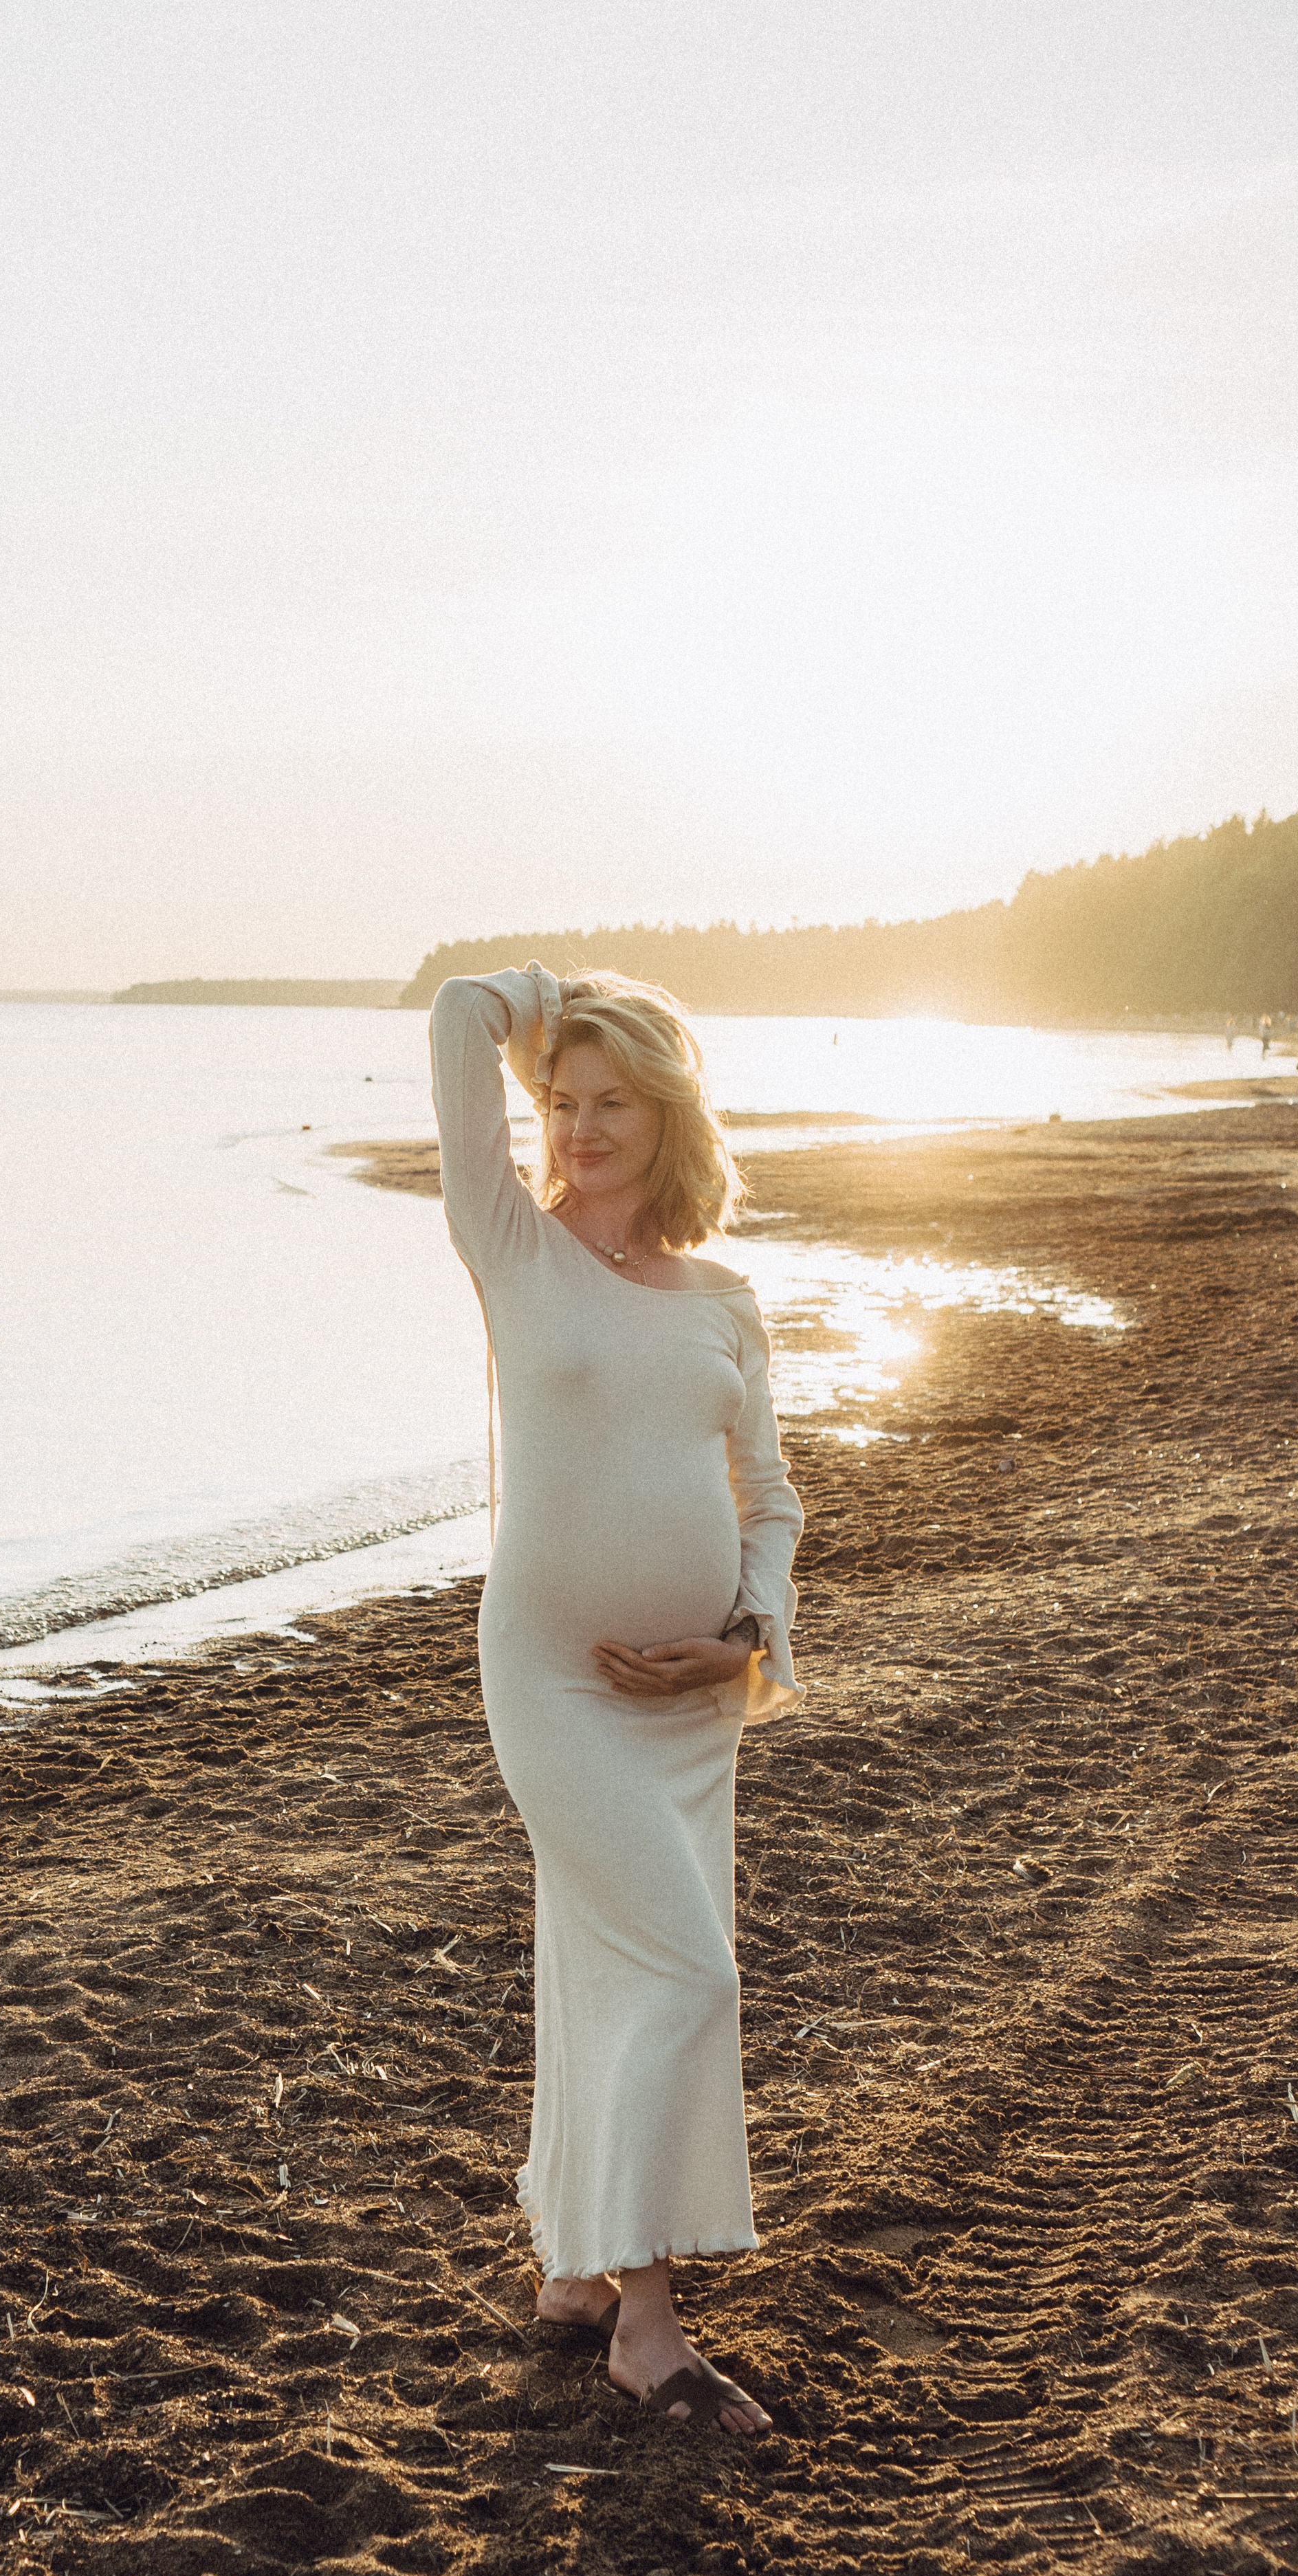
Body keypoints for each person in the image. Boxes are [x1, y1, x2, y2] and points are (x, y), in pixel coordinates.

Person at [429, 960, 804, 2438]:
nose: (579, 1130)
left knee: (604, 1970)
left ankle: (579, 2273)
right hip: (553, 1683)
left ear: (667, 1118)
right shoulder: (512, 1246)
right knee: (686, 1975)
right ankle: (647, 2329)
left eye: (612, 1104)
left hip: (691, 1714)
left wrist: (746, 1636)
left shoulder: (724, 1300)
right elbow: (457, 1014)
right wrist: (556, 1002)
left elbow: (769, 1500)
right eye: (560, 1103)